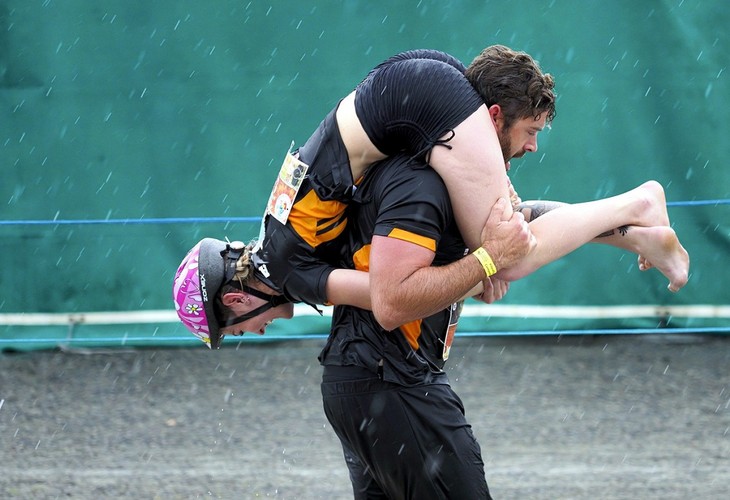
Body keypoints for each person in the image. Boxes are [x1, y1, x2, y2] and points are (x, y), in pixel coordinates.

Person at [172, 45, 690, 348]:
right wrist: (472, 257)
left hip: (411, 100)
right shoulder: (277, 235)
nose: (255, 333)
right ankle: (638, 237)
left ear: (235, 300)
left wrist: (478, 269)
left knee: (507, 256)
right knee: (503, 231)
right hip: (406, 87)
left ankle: (637, 204)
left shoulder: (290, 271)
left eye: (238, 331)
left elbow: (394, 295)